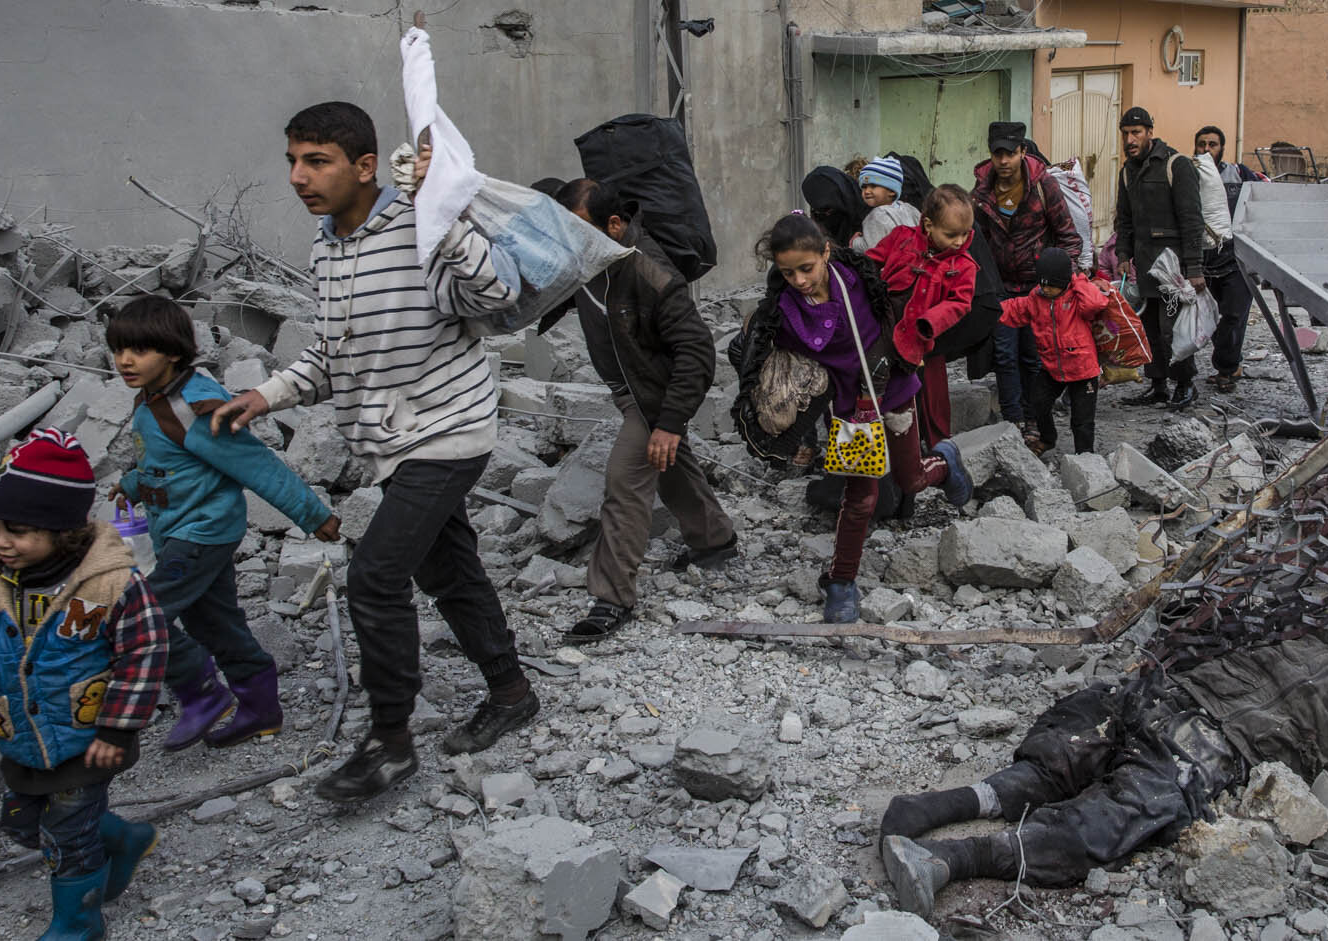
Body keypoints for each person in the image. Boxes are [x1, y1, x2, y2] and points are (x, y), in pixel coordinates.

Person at [210, 102, 537, 803]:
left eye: (317, 160)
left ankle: (390, 739)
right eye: (293, 160)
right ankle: (512, 691)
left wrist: (441, 210)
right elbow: (332, 357)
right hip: (393, 443)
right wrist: (265, 395)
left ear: (364, 166)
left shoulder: (422, 228)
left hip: (448, 431)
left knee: (375, 577)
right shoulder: (329, 250)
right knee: (450, 571)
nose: (299, 176)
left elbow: (498, 290)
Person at [877, 631, 1328, 920]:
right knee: (1100, 825)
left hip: (1156, 697)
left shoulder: (1310, 632)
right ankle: (948, 860)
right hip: (1200, 748)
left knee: (1059, 761)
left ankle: (934, 808)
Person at [0, 430, 168, 937]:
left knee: (67, 837)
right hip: (22, 737)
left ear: (63, 531)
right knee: (22, 823)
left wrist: (117, 729)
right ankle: (122, 840)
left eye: (17, 530)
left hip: (85, 740)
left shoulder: (110, 584)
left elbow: (146, 650)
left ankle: (78, 924)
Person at [109, 295, 338, 751]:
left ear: (172, 353)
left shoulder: (196, 409)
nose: (125, 361)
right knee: (216, 625)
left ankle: (202, 692)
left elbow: (256, 465)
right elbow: (166, 462)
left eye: (139, 350)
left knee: (135, 618)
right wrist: (132, 485)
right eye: (118, 350)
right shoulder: (154, 398)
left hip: (198, 535)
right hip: (181, 531)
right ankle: (260, 711)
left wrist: (314, 514)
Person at [733, 213, 972, 621]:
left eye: (806, 268)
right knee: (861, 498)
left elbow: (898, 312)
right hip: (850, 412)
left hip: (892, 392)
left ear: (826, 252)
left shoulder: (858, 280)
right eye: (788, 272)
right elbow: (757, 354)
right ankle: (842, 582)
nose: (800, 280)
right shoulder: (784, 310)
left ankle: (944, 461)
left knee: (909, 478)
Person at [548, 179, 736, 645]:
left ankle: (612, 598)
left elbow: (696, 351)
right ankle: (715, 541)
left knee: (624, 480)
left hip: (653, 394)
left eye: (576, 229)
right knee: (666, 463)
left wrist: (670, 422)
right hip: (630, 386)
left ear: (614, 225)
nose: (568, 239)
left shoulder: (652, 274)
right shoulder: (589, 252)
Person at [971, 121, 1084, 433]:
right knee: (1005, 357)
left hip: (1039, 288)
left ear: (1022, 152)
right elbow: (974, 241)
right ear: (991, 155)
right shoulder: (981, 190)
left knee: (1034, 357)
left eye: (1010, 153)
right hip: (1001, 287)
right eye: (998, 154)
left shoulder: (1043, 185)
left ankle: (1035, 419)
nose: (1004, 161)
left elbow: (1069, 237)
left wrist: (1062, 283)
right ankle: (1012, 422)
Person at [866, 185, 982, 460]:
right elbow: (871, 261)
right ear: (928, 225)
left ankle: (937, 450)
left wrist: (930, 321)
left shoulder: (963, 264)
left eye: (965, 234)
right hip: (884, 328)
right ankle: (883, 448)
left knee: (931, 397)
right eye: (951, 234)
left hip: (923, 338)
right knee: (877, 386)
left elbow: (961, 302)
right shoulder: (902, 239)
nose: (959, 241)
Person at [1113, 108, 1204, 409]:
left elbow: (1192, 220)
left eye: (1136, 132)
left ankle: (1185, 384)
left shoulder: (1176, 165)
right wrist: (1123, 253)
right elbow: (1124, 220)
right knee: (1148, 327)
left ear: (1150, 132)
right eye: (1126, 133)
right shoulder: (1127, 172)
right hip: (1145, 265)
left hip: (1173, 267)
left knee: (1172, 328)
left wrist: (1194, 268)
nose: (1130, 139)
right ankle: (1158, 385)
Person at [999, 249, 1110, 455]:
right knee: (1037, 403)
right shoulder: (1036, 298)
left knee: (1082, 419)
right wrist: (992, 310)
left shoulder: (1078, 297)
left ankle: (1085, 457)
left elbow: (1096, 303)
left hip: (1083, 370)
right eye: (1043, 284)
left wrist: (1078, 280)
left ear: (1065, 281)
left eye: (1052, 285)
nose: (1047, 289)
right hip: (1052, 367)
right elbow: (1016, 309)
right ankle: (1048, 439)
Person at [1192, 126, 1253, 393]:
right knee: (1214, 319)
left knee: (1233, 316)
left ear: (1222, 149)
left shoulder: (1239, 175)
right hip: (1204, 263)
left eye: (1212, 145)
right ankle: (1230, 363)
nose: (1206, 150)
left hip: (1237, 260)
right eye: (1202, 144)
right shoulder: (1187, 175)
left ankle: (1226, 370)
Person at [855, 155, 921, 252]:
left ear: (892, 190)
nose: (867, 191)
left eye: (873, 186)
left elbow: (874, 250)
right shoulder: (909, 209)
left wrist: (855, 242)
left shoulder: (877, 216)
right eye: (864, 187)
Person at [803, 164, 868, 248]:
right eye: (818, 211)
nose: (825, 214)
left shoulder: (872, 214)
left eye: (828, 209)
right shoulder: (820, 217)